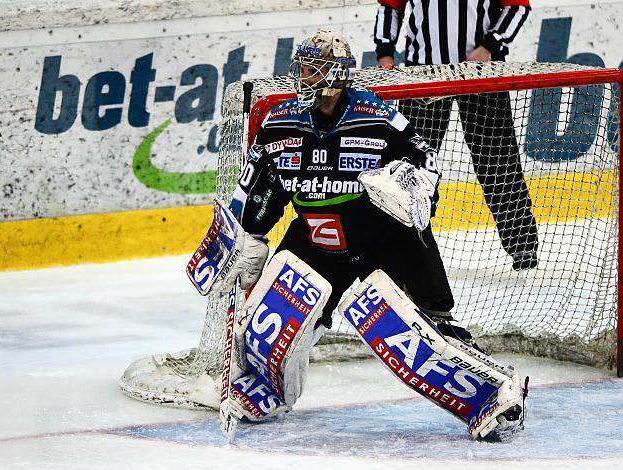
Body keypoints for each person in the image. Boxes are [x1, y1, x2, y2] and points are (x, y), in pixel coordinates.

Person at [209, 29, 525, 440]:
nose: (302, 78)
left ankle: (493, 393)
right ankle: (259, 386)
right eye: (301, 70)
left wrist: (412, 189)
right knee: (267, 333)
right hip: (316, 240)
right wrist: (245, 235)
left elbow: (427, 165)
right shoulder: (278, 123)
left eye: (311, 71)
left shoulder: (379, 118)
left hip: (383, 241)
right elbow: (257, 186)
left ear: (335, 75)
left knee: (423, 334)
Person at [374, 0, 539, 270]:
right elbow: (389, 7)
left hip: (482, 74)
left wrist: (489, 47)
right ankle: (399, 244)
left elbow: (517, 6)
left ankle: (522, 245)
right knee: (409, 167)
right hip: (423, 75)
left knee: (497, 161)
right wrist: (385, 54)